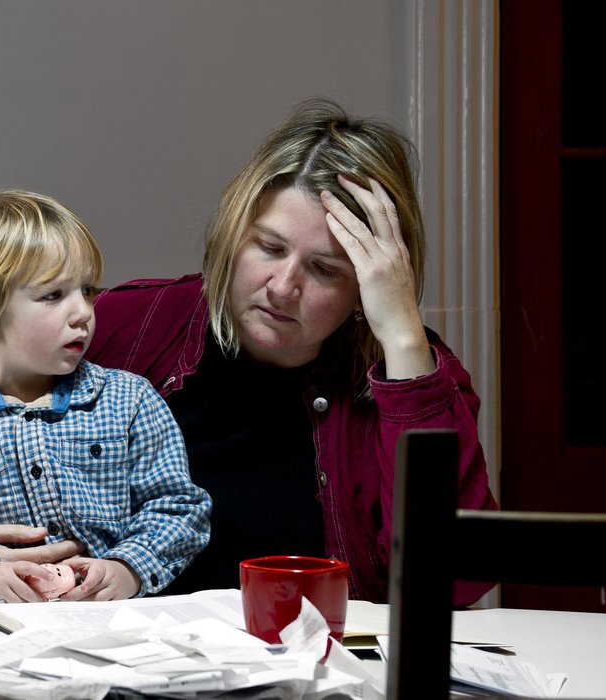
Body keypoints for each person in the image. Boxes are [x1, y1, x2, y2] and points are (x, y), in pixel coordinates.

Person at [84, 99, 498, 606]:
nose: (282, 288)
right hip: (130, 658)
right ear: (234, 234)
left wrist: (405, 342)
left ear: (370, 284)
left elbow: (457, 579)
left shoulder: (416, 371)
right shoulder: (126, 327)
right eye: (270, 248)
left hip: (325, 665)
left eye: (325, 270)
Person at [0, 190, 211, 603]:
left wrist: (129, 567)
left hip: (111, 626)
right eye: (53, 295)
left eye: (87, 290)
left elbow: (179, 508)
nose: (83, 312)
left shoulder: (130, 400)